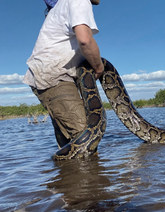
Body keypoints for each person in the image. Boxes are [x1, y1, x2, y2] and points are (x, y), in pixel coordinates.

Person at [23, 0, 103, 150]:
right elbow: (85, 40)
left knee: (69, 142)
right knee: (85, 136)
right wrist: (98, 67)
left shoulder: (64, 4)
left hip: (50, 74)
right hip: (55, 76)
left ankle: (66, 173)